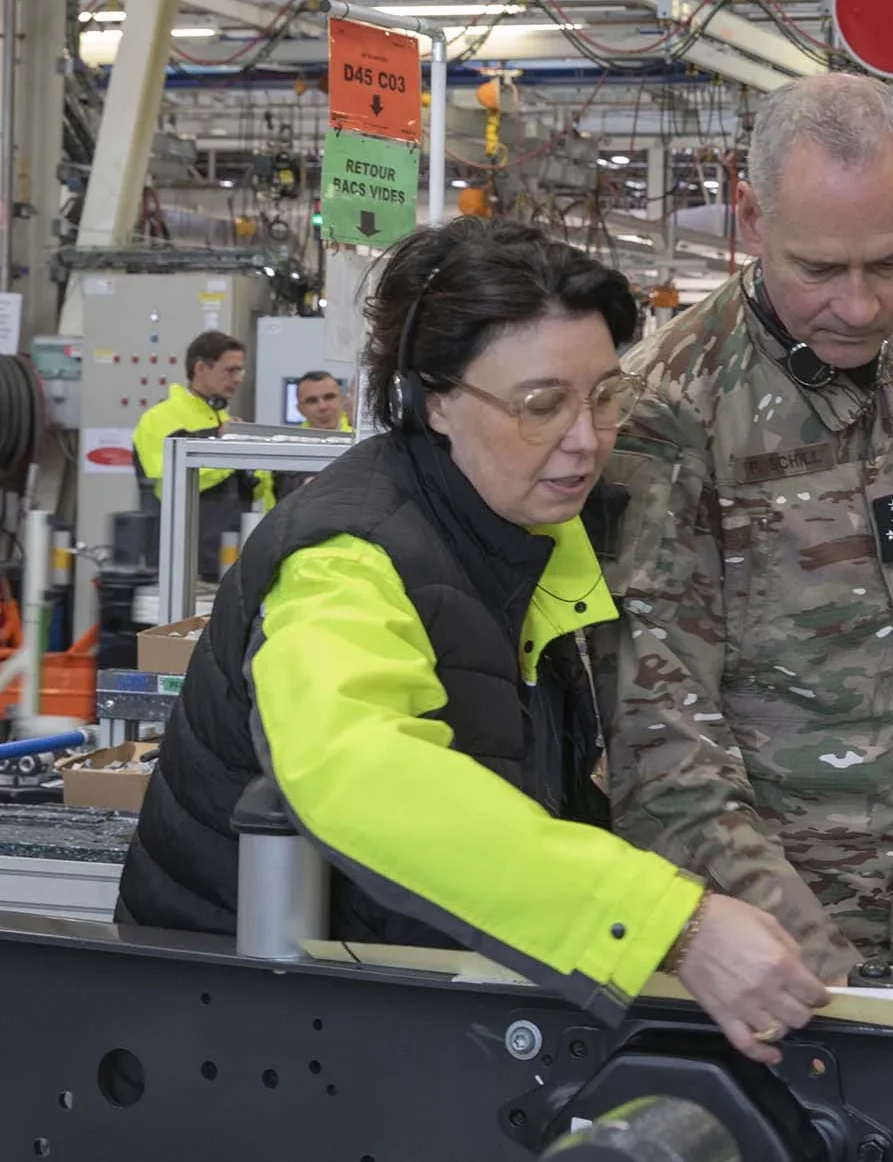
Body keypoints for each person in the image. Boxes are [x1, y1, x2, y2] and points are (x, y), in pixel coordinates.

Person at [116, 218, 826, 1063]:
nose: (586, 439)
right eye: (542, 404)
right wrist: (671, 924)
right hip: (235, 1031)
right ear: (437, 399)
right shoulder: (347, 556)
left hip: (384, 996)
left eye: (604, 395)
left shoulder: (523, 532)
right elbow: (360, 773)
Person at [604, 73, 893, 982]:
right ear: (750, 216)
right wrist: (803, 949)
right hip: (761, 947)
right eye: (819, 269)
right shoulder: (670, 408)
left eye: (889, 263)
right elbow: (657, 726)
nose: (859, 306)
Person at [131, 331, 268, 574]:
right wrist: (227, 446)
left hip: (225, 560)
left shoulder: (223, 420)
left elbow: (254, 489)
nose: (238, 379)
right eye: (230, 370)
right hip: (179, 562)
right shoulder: (160, 418)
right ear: (201, 368)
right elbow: (171, 477)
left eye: (241, 371)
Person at [274, 371, 353, 500]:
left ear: (342, 400)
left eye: (329, 397)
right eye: (312, 401)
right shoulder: (288, 448)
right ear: (300, 409)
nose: (322, 406)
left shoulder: (361, 442)